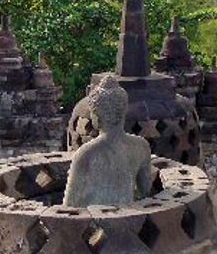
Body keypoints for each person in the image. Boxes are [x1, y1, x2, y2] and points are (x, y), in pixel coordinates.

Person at [64, 76, 152, 206]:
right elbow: (145, 194)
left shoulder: (86, 154)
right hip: (129, 218)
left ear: (96, 116)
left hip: (93, 222)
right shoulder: (142, 146)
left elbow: (69, 205)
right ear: (124, 112)